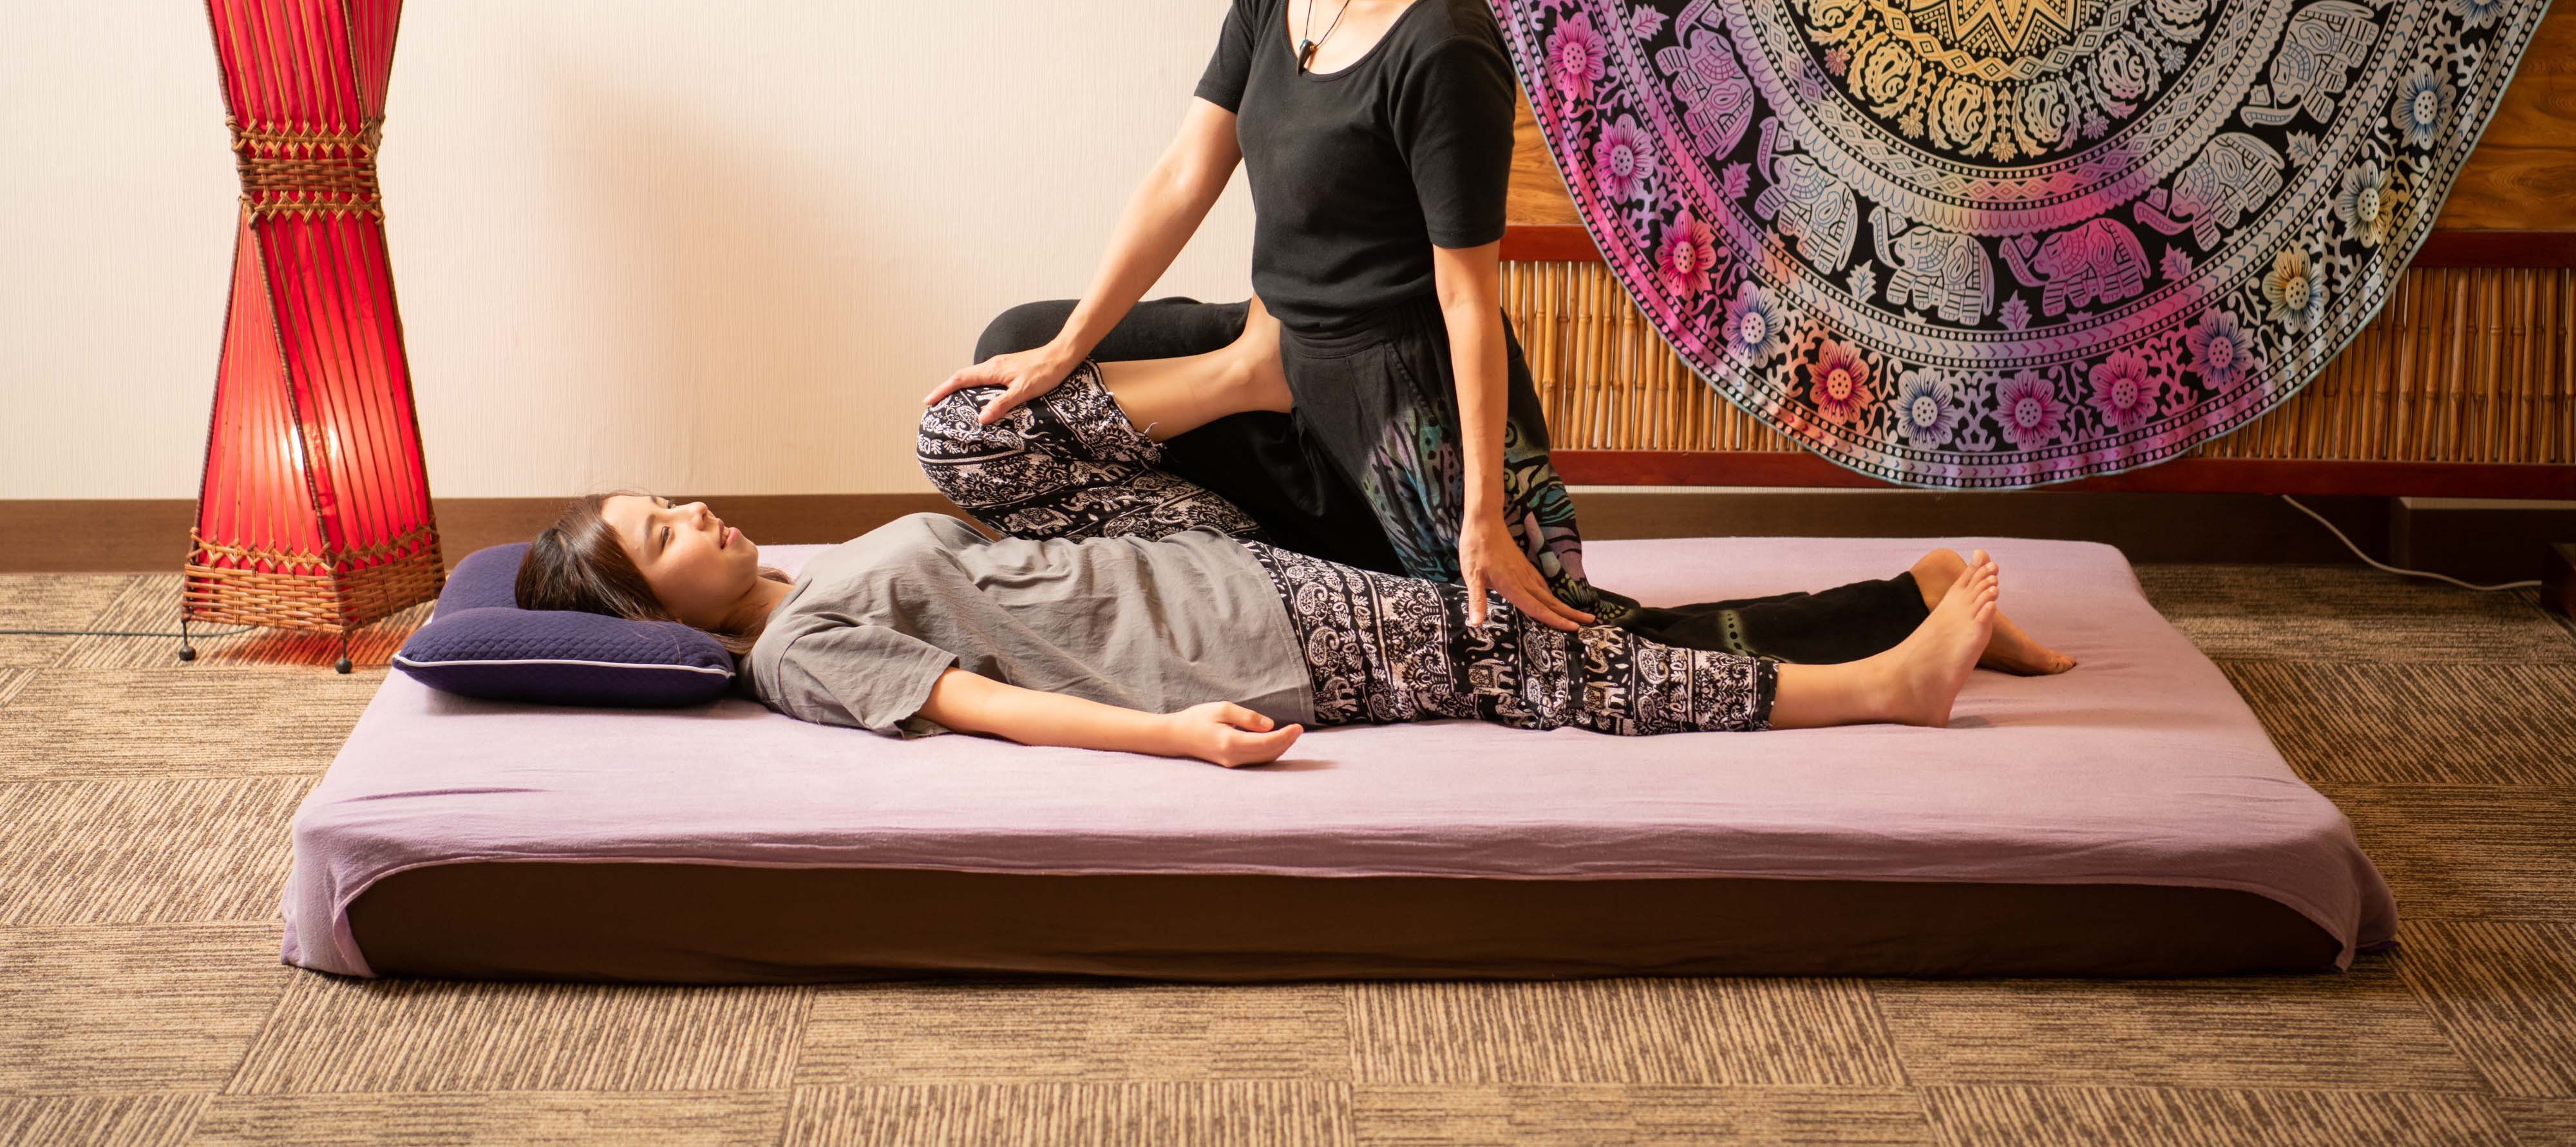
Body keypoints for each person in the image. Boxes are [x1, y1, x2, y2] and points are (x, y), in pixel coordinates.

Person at [927, 0, 2072, 676]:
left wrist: (1481, 510)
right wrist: (1071, 344)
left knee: (1576, 647)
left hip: (1397, 405)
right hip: (1279, 353)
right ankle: (1254, 439)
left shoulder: (1445, 41)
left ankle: (1905, 609)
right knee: (1012, 358)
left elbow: (1469, 299)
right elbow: (1187, 171)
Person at [515, 369, 2022, 768]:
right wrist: (1166, 733)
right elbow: (977, 703)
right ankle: (1879, 675)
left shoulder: (807, 575)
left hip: (1202, 565)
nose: (698, 513)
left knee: (955, 429)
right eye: (663, 535)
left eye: (671, 499)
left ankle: (1258, 360)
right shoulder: (792, 655)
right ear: (653, 613)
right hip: (1248, 634)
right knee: (1549, 652)